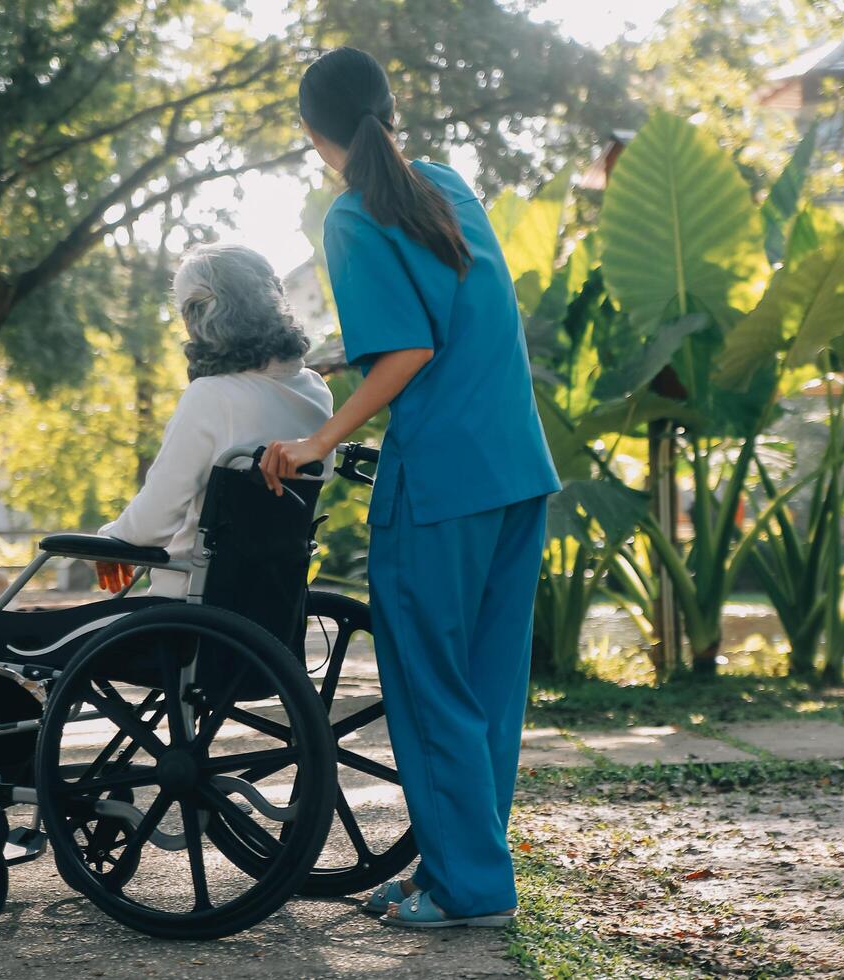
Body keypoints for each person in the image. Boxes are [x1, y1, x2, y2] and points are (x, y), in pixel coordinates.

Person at [0, 243, 333, 862]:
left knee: (8, 637)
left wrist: (107, 540)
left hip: (181, 628)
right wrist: (130, 541)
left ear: (205, 313)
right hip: (262, 632)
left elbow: (148, 524)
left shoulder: (214, 397)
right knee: (41, 642)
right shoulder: (314, 396)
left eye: (185, 314)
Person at [260, 47, 560, 929]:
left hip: (440, 484)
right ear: (388, 110)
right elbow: (457, 325)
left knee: (431, 688)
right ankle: (455, 870)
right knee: (486, 692)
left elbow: (409, 350)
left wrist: (317, 436)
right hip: (514, 469)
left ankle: (471, 888)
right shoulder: (445, 185)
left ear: (314, 134)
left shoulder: (352, 216)